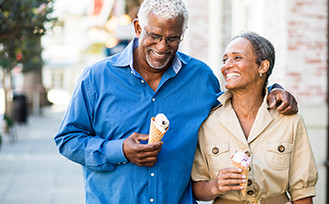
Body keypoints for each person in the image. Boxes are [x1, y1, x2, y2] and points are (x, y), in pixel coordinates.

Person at [54, 0, 298, 203]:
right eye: (155, 35)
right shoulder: (97, 78)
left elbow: (236, 107)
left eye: (172, 39)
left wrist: (272, 89)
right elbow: (67, 140)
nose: (162, 47)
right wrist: (120, 150)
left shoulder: (200, 78)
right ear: (138, 28)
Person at [191, 32, 318, 204]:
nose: (227, 65)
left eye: (237, 58)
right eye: (225, 59)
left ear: (262, 67)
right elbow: (197, 187)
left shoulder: (290, 121)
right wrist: (215, 186)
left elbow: (302, 193)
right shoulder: (209, 122)